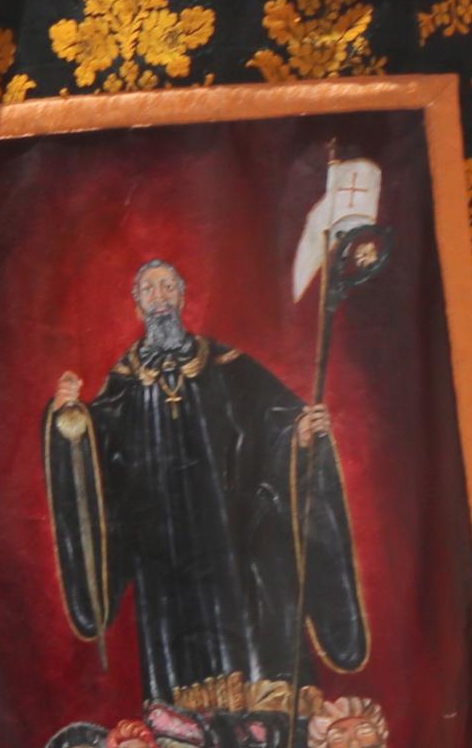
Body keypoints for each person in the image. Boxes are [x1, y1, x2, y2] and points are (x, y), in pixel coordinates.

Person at [46, 256, 365, 710]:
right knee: (179, 647)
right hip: (164, 547)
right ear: (138, 306)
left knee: (253, 627)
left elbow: (272, 419)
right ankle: (188, 729)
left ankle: (264, 720)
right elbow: (95, 456)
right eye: (149, 290)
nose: (159, 297)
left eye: (166, 287)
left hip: (231, 532)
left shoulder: (225, 363)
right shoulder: (124, 383)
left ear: (182, 296)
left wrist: (298, 433)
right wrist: (68, 418)